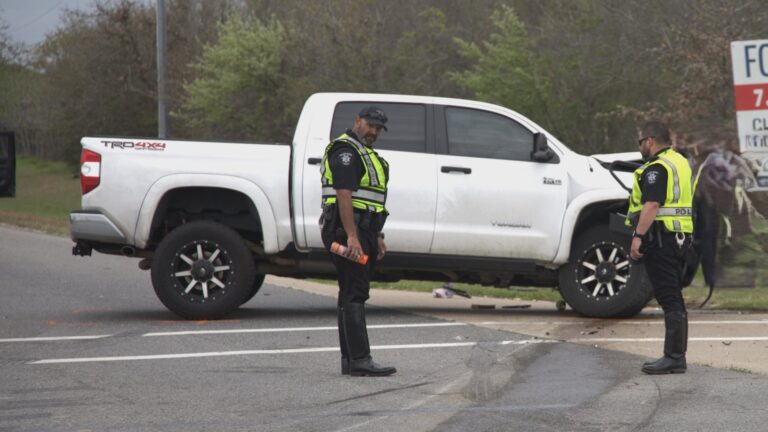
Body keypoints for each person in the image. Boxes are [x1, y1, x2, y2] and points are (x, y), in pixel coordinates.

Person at [319, 106, 396, 377]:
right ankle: (360, 359)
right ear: (357, 121)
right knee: (355, 292)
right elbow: (344, 195)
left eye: (378, 128)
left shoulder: (365, 153)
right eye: (370, 125)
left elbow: (371, 201)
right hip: (346, 233)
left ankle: (350, 360)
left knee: (349, 292)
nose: (373, 132)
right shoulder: (346, 152)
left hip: (362, 232)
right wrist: (352, 236)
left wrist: (376, 236)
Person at [626, 121, 694, 375]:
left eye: (640, 141)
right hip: (678, 237)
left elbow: (652, 204)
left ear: (650, 140)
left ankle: (674, 357)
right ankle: (675, 356)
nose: (640, 146)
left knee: (669, 297)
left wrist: (637, 236)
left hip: (662, 238)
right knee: (672, 294)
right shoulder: (680, 162)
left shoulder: (657, 168)